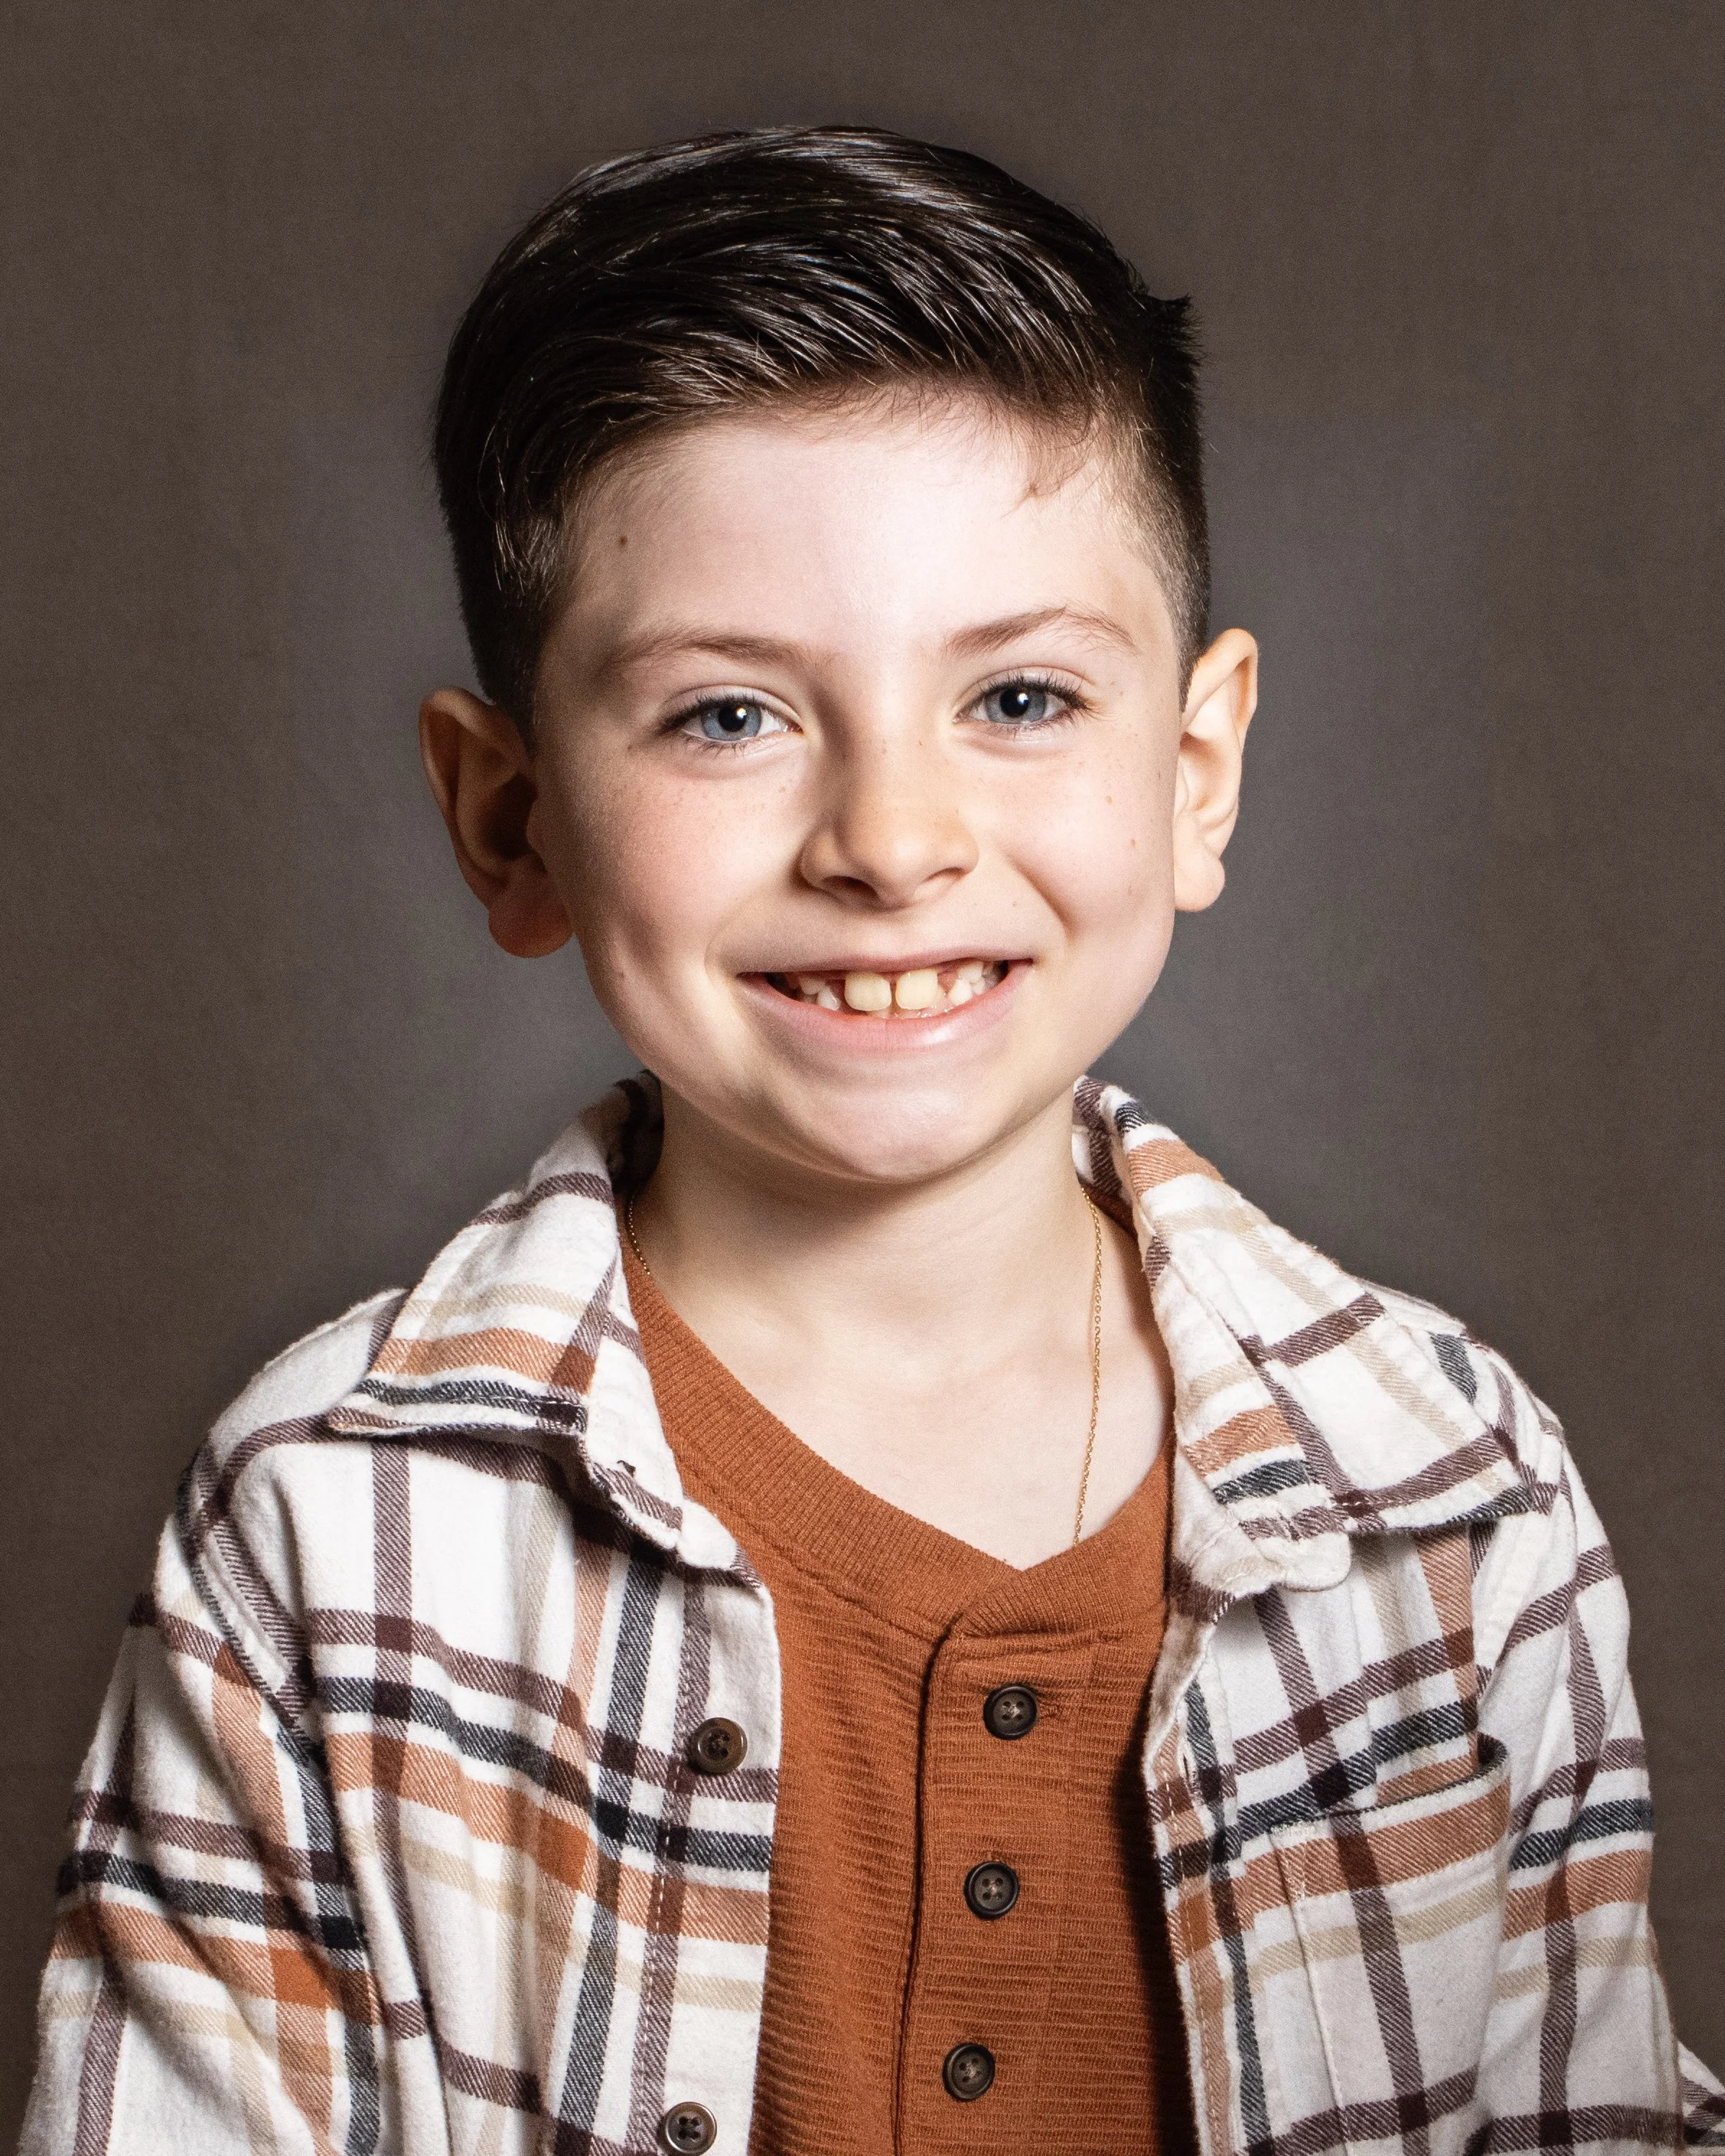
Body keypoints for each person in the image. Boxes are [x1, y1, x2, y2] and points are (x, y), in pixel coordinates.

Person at [21, 126, 1724, 2156]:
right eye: (729, 716)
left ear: (1194, 770)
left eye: (1016, 695)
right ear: (508, 819)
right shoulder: (328, 1531)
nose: (895, 843)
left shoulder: (1454, 1502)